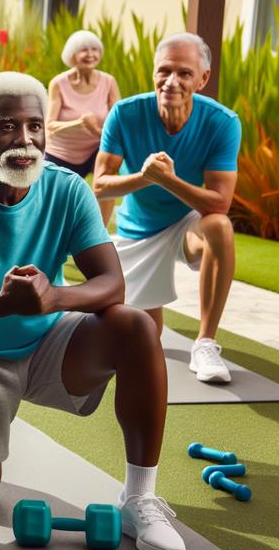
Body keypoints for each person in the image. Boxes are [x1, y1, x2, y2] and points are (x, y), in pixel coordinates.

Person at [0, 72, 187, 550]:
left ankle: (138, 500)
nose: (24, 140)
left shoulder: (67, 189)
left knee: (136, 325)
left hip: (49, 346)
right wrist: (4, 302)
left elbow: (112, 284)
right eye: (7, 126)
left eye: (35, 126)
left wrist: (53, 297)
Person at [94, 32, 240, 383]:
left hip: (186, 226)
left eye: (185, 74)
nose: (171, 82)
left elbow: (220, 202)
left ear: (203, 79)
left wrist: (167, 179)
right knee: (145, 337)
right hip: (136, 230)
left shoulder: (222, 122)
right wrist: (147, 176)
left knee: (220, 226)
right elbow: (100, 184)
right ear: (154, 72)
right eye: (164, 71)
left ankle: (205, 343)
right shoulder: (125, 113)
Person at [46, 29, 120, 224]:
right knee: (56, 203)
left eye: (95, 49)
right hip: (62, 151)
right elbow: (50, 125)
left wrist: (96, 131)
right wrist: (78, 124)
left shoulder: (108, 81)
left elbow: (118, 122)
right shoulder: (59, 83)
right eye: (84, 50)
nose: (90, 55)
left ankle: (101, 235)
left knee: (107, 184)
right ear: (72, 56)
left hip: (96, 148)